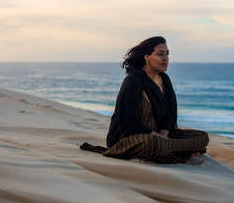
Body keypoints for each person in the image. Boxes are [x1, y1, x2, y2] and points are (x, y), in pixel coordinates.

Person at [80, 36, 209, 163]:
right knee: (154, 143)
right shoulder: (133, 81)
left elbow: (169, 116)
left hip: (160, 136)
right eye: (160, 54)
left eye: (167, 54)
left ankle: (167, 148)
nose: (166, 58)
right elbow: (127, 123)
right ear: (147, 57)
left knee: (202, 137)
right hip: (131, 138)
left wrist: (164, 137)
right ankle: (174, 149)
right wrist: (157, 137)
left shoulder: (165, 80)